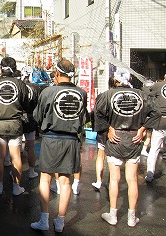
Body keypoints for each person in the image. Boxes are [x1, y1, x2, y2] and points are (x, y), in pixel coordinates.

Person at [95, 68, 160, 227]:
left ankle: (113, 214)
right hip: (134, 139)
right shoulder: (141, 94)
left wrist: (108, 127)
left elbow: (97, 113)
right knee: (132, 180)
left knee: (115, 179)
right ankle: (131, 217)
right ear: (130, 79)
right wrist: (143, 127)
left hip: (115, 138)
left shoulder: (107, 95)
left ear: (115, 80)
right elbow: (156, 112)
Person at [30, 59, 88, 233]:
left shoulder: (48, 92)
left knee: (45, 179)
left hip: (51, 138)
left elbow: (38, 116)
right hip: (71, 140)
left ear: (56, 73)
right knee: (65, 181)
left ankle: (44, 219)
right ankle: (60, 221)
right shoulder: (81, 93)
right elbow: (83, 118)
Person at [0, 57, 29, 196]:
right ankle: (16, 187)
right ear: (14, 68)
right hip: (15, 124)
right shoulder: (20, 84)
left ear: (0, 68)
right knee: (16, 157)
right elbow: (25, 103)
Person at [144, 77, 166, 182]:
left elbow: (147, 92)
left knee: (154, 149)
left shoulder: (158, 86)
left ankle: (150, 175)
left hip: (161, 121)